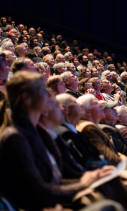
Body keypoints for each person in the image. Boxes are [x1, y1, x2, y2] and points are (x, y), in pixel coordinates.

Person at [0, 71, 95, 210]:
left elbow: (54, 181)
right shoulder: (15, 137)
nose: (50, 96)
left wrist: (91, 178)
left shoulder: (38, 131)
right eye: (43, 90)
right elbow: (40, 192)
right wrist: (84, 184)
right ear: (26, 98)